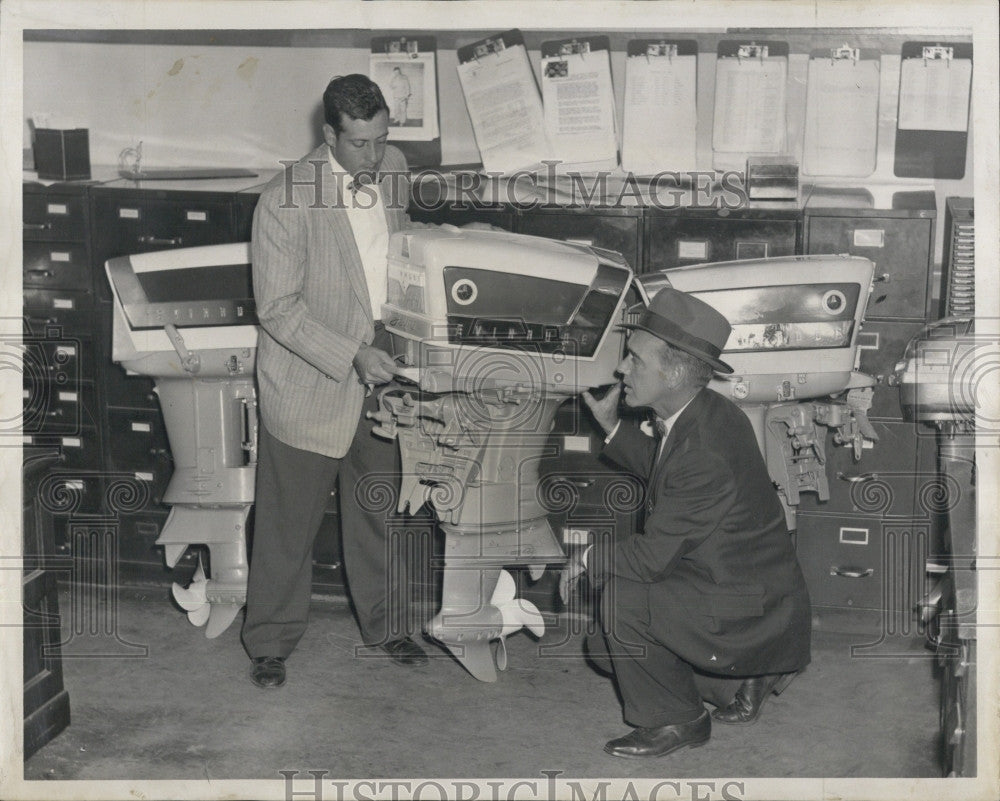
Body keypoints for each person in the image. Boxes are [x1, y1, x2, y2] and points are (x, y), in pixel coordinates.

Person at [563, 286, 812, 757]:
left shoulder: (703, 449)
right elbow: (670, 472)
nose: (621, 368)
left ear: (675, 371)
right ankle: (742, 680)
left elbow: (652, 558)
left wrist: (587, 557)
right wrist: (613, 426)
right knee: (603, 644)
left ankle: (678, 720)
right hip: (737, 587)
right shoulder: (706, 413)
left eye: (635, 359)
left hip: (743, 606)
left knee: (623, 599)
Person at [242, 74, 428, 689]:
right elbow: (277, 309)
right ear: (329, 136)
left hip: (384, 359)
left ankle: (387, 625)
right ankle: (269, 642)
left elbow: (402, 253)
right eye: (360, 145)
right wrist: (353, 354)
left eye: (381, 139)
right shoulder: (284, 200)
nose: (374, 157)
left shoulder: (394, 165)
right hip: (311, 370)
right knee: (286, 521)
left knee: (378, 505)